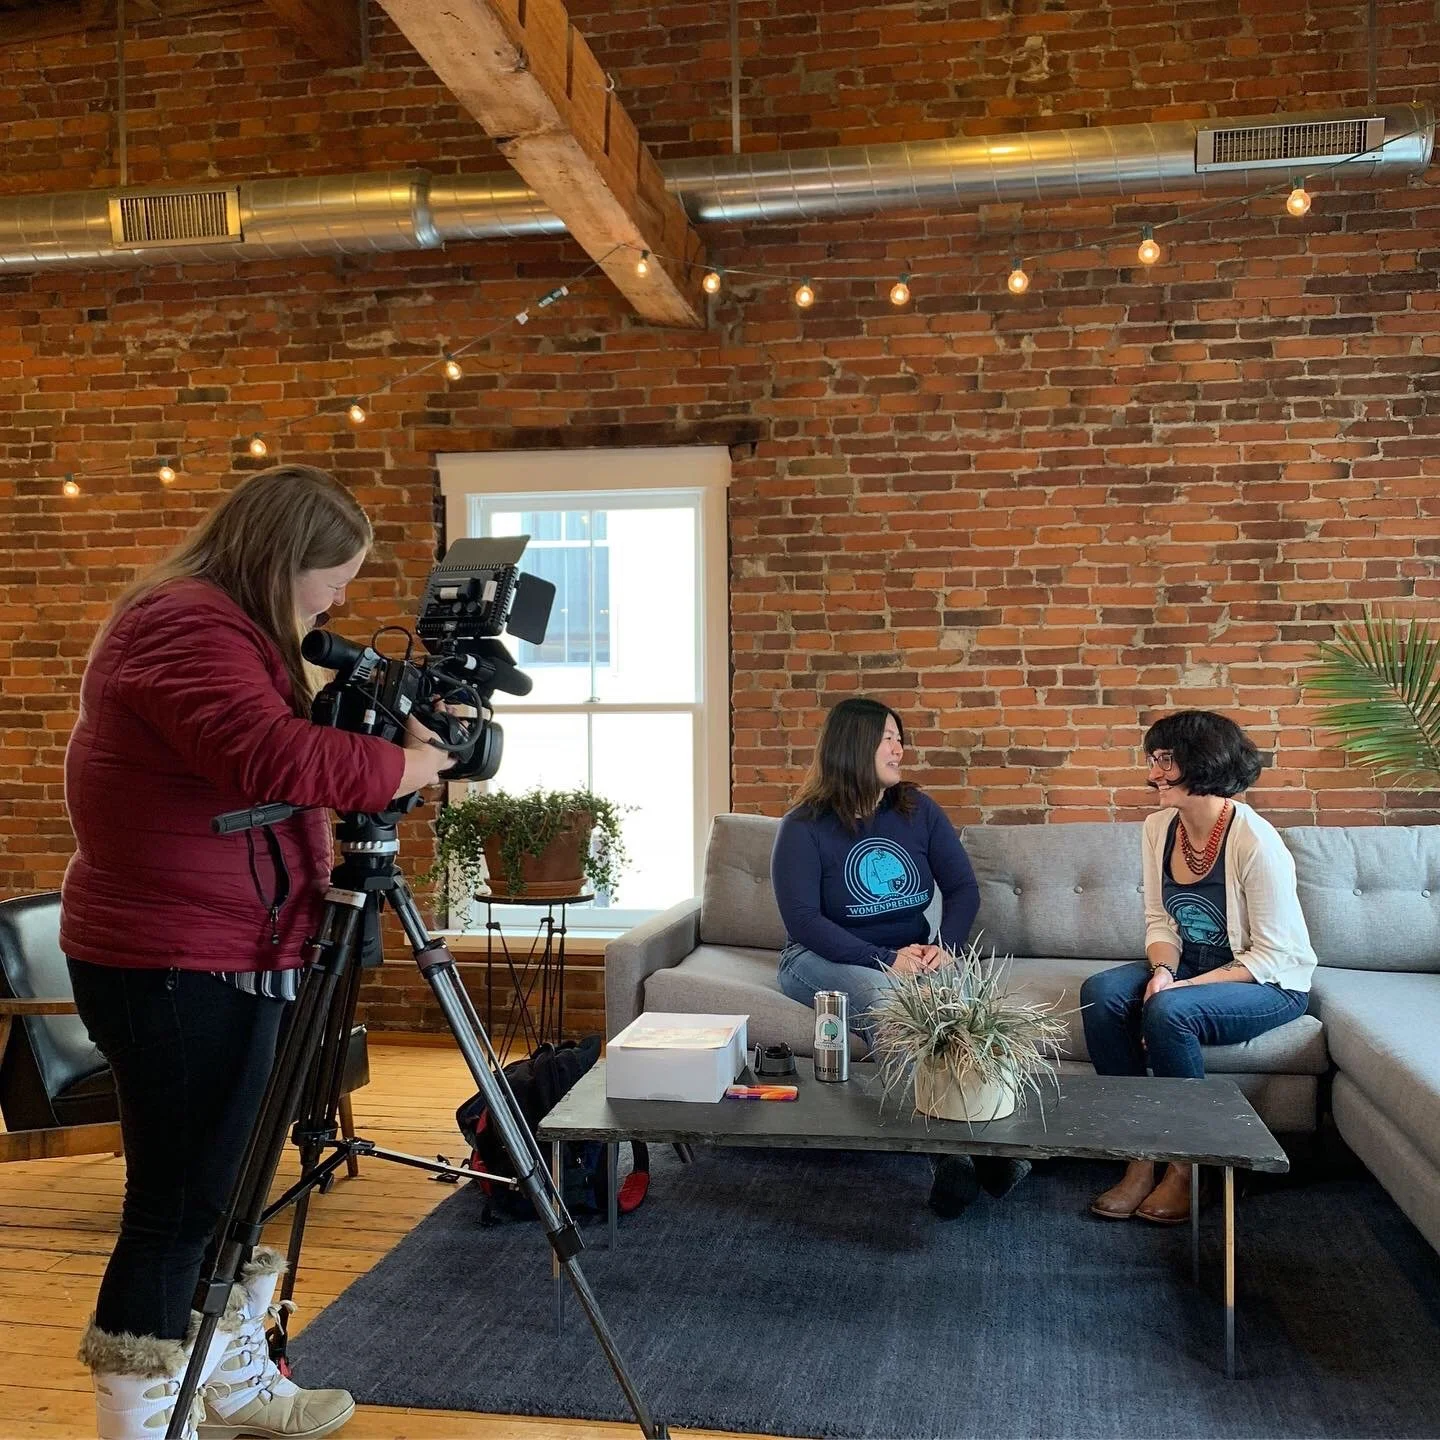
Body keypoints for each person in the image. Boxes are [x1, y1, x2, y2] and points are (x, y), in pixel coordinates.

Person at [61, 465, 453, 1440]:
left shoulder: (216, 625)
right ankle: (143, 1419)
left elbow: (260, 767)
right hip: (173, 959)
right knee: (178, 1202)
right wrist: (404, 765)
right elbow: (268, 759)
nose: (339, 600)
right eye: (334, 577)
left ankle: (231, 1384)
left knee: (230, 1188)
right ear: (284, 559)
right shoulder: (184, 626)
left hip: (225, 943)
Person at [770, 696, 1027, 1216]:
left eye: (900, 737)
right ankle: (946, 1156)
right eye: (887, 737)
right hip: (818, 956)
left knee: (964, 1003)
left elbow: (963, 890)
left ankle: (986, 1143)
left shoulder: (917, 811)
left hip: (912, 956)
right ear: (853, 745)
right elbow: (804, 922)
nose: (900, 747)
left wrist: (944, 950)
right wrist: (883, 959)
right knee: (888, 999)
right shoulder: (803, 827)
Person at [1080, 710, 1316, 1223]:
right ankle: (1140, 1152)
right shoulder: (1158, 827)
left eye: (1165, 762)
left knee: (1170, 1013)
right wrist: (1163, 971)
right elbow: (1159, 921)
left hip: (1268, 981)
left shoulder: (1255, 841)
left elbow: (1272, 955)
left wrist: (1176, 990)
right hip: (1195, 965)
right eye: (1152, 760)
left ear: (1202, 764)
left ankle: (1191, 1168)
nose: (1151, 775)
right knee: (1101, 993)